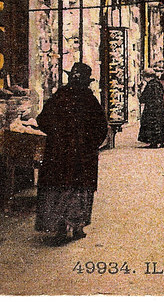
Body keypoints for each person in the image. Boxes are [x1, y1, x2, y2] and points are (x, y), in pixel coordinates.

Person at [35, 62, 108, 243]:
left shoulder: (59, 97)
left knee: (59, 189)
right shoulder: (90, 101)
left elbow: (42, 120)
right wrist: (91, 144)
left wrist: (57, 135)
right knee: (80, 190)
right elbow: (101, 128)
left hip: (58, 153)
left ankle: (60, 226)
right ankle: (77, 227)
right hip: (83, 155)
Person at [138, 68, 164, 148]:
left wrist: (140, 92)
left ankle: (153, 142)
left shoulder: (150, 85)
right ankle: (160, 141)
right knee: (159, 124)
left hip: (151, 109)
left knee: (151, 125)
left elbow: (143, 98)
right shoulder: (158, 83)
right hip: (159, 108)